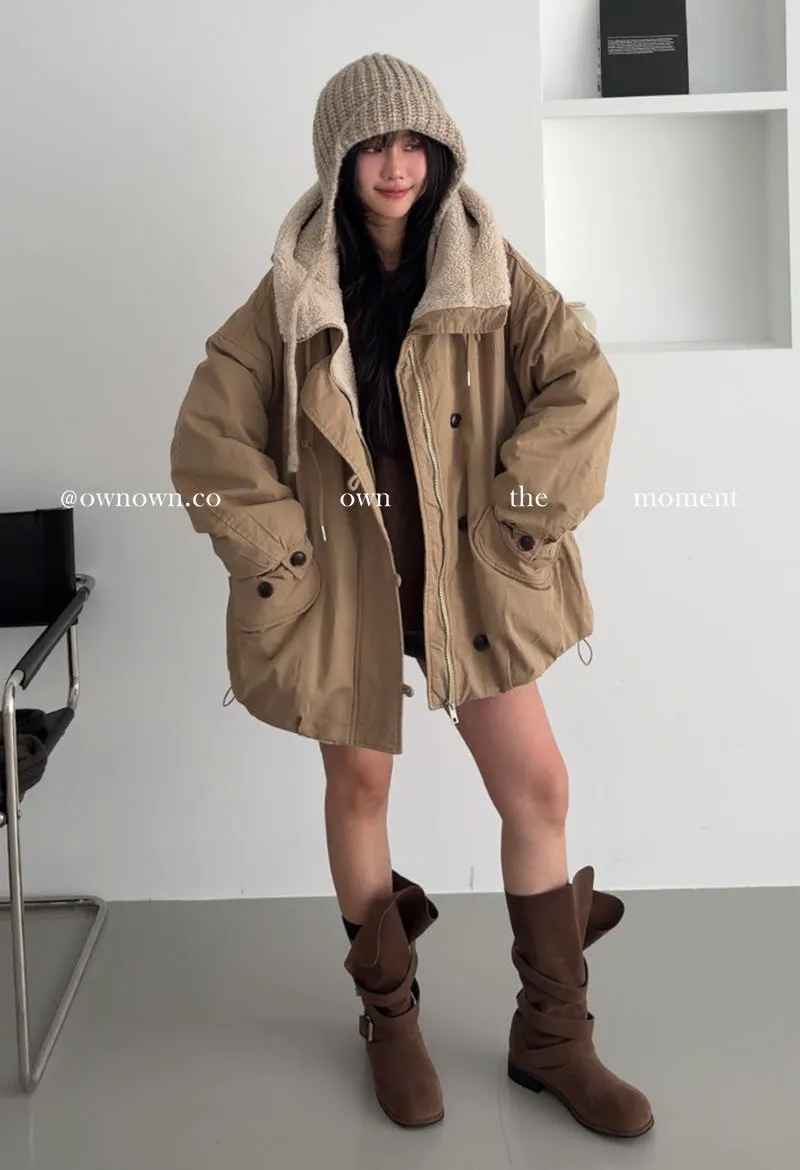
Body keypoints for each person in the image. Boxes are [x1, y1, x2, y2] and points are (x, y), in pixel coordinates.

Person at [169, 52, 653, 1138]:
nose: (395, 165)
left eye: (412, 144)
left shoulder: (489, 269)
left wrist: (519, 515)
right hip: (346, 583)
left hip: (465, 576)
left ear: (438, 154)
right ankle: (390, 1022)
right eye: (372, 147)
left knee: (537, 790)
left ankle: (554, 1036)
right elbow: (207, 437)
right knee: (360, 791)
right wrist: (285, 557)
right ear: (338, 162)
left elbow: (583, 384)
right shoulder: (292, 290)